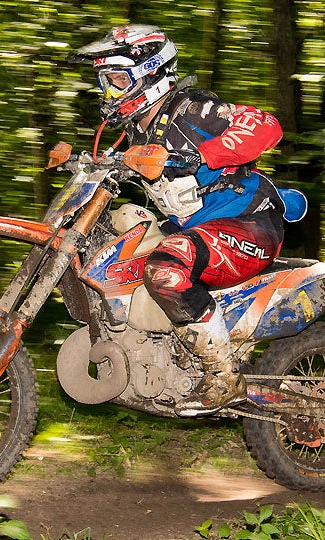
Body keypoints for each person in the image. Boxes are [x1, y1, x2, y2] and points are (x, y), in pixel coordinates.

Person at [69, 24, 307, 416]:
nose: (108, 91)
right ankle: (156, 350)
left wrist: (207, 155)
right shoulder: (137, 130)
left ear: (149, 72)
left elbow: (265, 124)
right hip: (195, 227)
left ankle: (224, 376)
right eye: (104, 81)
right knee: (111, 235)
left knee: (165, 270)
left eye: (116, 80)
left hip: (248, 223)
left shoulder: (191, 110)